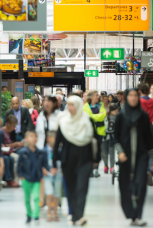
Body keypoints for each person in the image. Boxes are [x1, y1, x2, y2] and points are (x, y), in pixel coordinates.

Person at [52, 95, 99, 226]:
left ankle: (80, 215)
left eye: (73, 105)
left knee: (82, 188)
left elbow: (95, 140)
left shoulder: (87, 120)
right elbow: (57, 144)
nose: (70, 108)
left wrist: (97, 159)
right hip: (68, 161)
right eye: (69, 105)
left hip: (85, 160)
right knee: (71, 189)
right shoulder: (63, 122)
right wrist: (54, 162)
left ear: (78, 106)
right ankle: (74, 215)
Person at [114, 89, 153, 227]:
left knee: (140, 185)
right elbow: (115, 137)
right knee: (126, 186)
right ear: (127, 98)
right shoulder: (121, 115)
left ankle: (138, 215)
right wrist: (120, 152)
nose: (133, 98)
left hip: (141, 156)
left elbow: (148, 137)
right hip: (125, 157)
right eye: (130, 96)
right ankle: (130, 214)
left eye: (135, 96)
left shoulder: (143, 116)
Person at [17, 131, 50, 225]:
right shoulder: (23, 152)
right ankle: (29, 214)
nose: (34, 138)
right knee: (27, 199)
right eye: (31, 136)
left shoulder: (41, 152)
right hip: (26, 179)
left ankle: (36, 216)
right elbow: (18, 166)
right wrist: (21, 176)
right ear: (26, 139)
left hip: (37, 178)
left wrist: (49, 170)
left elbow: (45, 164)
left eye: (35, 136)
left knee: (36, 197)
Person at [36, 95, 60, 206]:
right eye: (45, 100)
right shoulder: (40, 116)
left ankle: (55, 200)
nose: (46, 103)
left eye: (49, 101)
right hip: (42, 150)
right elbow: (38, 134)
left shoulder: (59, 116)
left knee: (55, 174)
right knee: (42, 174)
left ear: (54, 103)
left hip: (54, 150)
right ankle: (42, 199)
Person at [83, 90, 106, 178]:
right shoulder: (85, 106)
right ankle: (91, 169)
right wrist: (96, 116)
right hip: (89, 132)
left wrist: (91, 116)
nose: (98, 96)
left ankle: (96, 169)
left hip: (99, 132)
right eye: (96, 95)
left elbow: (102, 116)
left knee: (98, 151)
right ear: (91, 97)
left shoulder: (101, 105)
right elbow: (86, 117)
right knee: (89, 151)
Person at [44, 131, 62, 222]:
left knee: (57, 194)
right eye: (54, 138)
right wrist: (44, 170)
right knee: (49, 193)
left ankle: (55, 212)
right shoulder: (44, 151)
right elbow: (42, 163)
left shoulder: (59, 150)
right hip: (47, 174)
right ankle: (48, 212)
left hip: (58, 173)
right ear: (48, 139)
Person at [2, 115, 23, 187]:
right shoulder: (2, 132)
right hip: (4, 152)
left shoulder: (11, 132)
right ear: (8, 124)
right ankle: (9, 179)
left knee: (15, 157)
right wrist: (14, 144)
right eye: (13, 126)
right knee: (11, 158)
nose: (15, 128)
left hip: (9, 151)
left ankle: (13, 179)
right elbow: (3, 145)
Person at [102, 103, 119, 174]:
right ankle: (106, 165)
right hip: (104, 137)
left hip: (113, 138)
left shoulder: (118, 117)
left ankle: (112, 167)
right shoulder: (105, 116)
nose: (117, 112)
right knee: (104, 153)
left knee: (112, 153)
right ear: (111, 110)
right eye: (115, 111)